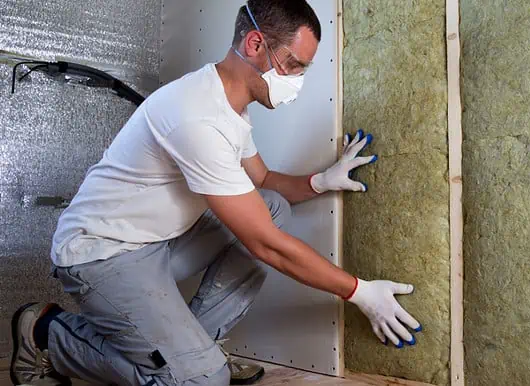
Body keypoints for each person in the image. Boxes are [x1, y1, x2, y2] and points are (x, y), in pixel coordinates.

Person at [9, 1, 422, 385]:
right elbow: (266, 245)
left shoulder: (231, 107)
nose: (297, 81)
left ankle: (195, 353)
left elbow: (262, 182)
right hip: (101, 254)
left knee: (272, 208)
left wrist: (321, 181)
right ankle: (49, 333)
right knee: (202, 380)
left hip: (156, 243)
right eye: (293, 65)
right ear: (255, 43)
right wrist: (359, 291)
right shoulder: (196, 115)